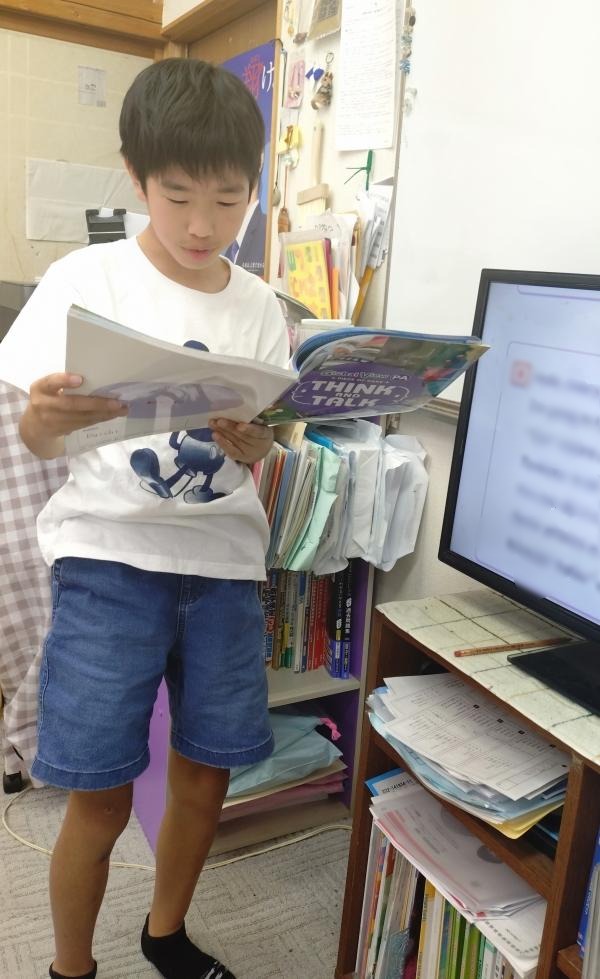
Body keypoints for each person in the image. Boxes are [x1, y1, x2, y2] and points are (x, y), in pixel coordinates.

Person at [0, 58, 289, 979]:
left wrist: (256, 440)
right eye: (178, 197)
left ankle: (165, 935)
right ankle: (70, 967)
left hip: (225, 568)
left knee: (208, 772)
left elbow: (262, 443)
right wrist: (46, 415)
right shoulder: (86, 278)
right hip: (108, 562)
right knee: (99, 789)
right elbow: (36, 435)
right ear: (136, 178)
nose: (203, 224)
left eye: (229, 199)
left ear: (252, 187)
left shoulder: (262, 305)